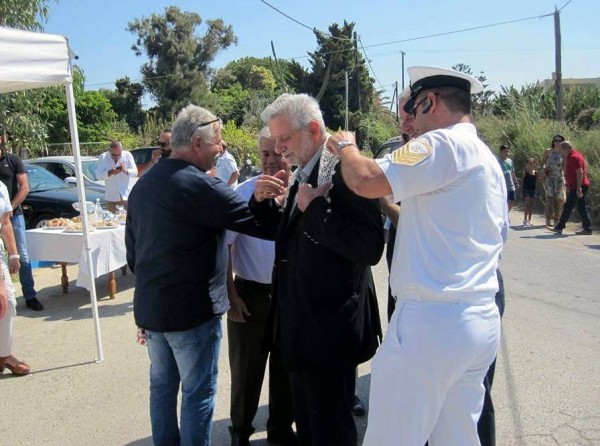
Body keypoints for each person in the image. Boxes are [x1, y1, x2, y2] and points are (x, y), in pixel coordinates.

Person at [325, 66, 507, 445]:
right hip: (477, 319)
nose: (410, 122)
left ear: (430, 101)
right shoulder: (485, 158)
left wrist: (346, 147)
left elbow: (365, 179)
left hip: (431, 322)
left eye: (413, 110)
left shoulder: (440, 144)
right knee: (456, 437)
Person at [125, 105, 274, 446]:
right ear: (196, 143)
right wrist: (268, 201)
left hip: (152, 313)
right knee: (197, 395)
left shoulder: (144, 185)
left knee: (162, 389)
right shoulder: (199, 185)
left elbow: (133, 254)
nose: (221, 148)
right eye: (217, 140)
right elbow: (262, 225)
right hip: (191, 315)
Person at [251, 93, 384, 446]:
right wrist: (262, 204)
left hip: (328, 334)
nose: (278, 148)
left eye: (285, 138)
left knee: (330, 432)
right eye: (275, 139)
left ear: (312, 129)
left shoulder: (343, 169)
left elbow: (370, 246)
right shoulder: (305, 169)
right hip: (301, 329)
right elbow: (293, 237)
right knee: (310, 429)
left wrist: (314, 210)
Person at [226, 128, 295, 446]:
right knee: (246, 372)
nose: (270, 160)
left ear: (289, 154)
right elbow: (224, 248)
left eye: (277, 153)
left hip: (289, 295)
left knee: (286, 368)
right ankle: (240, 433)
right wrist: (231, 295)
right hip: (250, 295)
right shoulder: (242, 194)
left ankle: (281, 430)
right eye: (265, 153)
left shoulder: (302, 190)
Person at [380, 88, 417, 322]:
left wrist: (384, 203)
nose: (405, 126)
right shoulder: (409, 152)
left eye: (410, 117)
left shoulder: (427, 153)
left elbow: (366, 178)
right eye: (401, 120)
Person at [0, 133, 43, 311]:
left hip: (13, 216)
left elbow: (25, 187)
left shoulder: (12, 160)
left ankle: (30, 296)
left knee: (21, 256)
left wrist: (10, 207)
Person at [0, 181, 29, 375]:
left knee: (8, 303)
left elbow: (5, 222)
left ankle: (3, 354)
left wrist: (13, 254)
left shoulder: (1, 187)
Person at [549, 140, 592, 235]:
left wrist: (578, 188)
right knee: (581, 207)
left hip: (578, 186)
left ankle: (559, 227)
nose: (560, 152)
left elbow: (579, 173)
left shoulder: (574, 157)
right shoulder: (573, 155)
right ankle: (587, 228)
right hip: (578, 185)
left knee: (568, 207)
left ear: (566, 149)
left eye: (561, 150)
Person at [95, 140, 137, 213]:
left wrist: (125, 170)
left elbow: (135, 172)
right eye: (113, 155)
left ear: (122, 150)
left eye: (119, 154)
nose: (117, 157)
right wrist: (110, 172)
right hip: (111, 197)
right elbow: (98, 176)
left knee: (128, 219)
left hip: (126, 196)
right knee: (112, 219)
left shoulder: (127, 155)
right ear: (109, 151)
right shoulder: (103, 157)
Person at [541, 134, 566, 226]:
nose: (557, 142)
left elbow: (565, 166)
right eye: (556, 140)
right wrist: (543, 172)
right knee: (550, 198)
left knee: (559, 200)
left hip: (559, 178)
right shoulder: (548, 151)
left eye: (559, 141)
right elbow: (542, 163)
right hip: (549, 178)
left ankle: (557, 220)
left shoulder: (564, 153)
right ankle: (548, 219)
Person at [498, 144, 519, 211]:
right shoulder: (497, 162)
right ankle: (503, 214)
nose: (507, 153)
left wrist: (516, 182)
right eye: (505, 151)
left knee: (512, 201)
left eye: (507, 151)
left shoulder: (510, 161)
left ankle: (505, 213)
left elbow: (512, 173)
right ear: (501, 152)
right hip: (501, 185)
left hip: (510, 185)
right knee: (503, 202)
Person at [521, 158, 538, 226]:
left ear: (534, 164)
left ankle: (529, 220)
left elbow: (539, 180)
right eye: (529, 163)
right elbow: (522, 182)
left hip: (533, 189)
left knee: (531, 205)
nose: (531, 164)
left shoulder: (536, 172)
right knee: (527, 204)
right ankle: (525, 219)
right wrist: (521, 191)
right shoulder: (525, 172)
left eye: (532, 163)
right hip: (526, 189)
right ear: (527, 164)